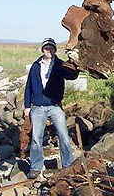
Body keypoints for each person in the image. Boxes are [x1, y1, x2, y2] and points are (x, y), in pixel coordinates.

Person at [24, 38, 79, 179]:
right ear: (43, 50)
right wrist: (27, 106)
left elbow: (72, 75)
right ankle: (35, 167)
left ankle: (68, 165)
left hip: (54, 105)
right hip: (38, 106)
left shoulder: (60, 65)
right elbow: (29, 86)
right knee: (36, 137)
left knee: (63, 135)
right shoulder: (36, 66)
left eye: (51, 48)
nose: (48, 50)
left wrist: (77, 63)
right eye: (46, 48)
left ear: (55, 50)